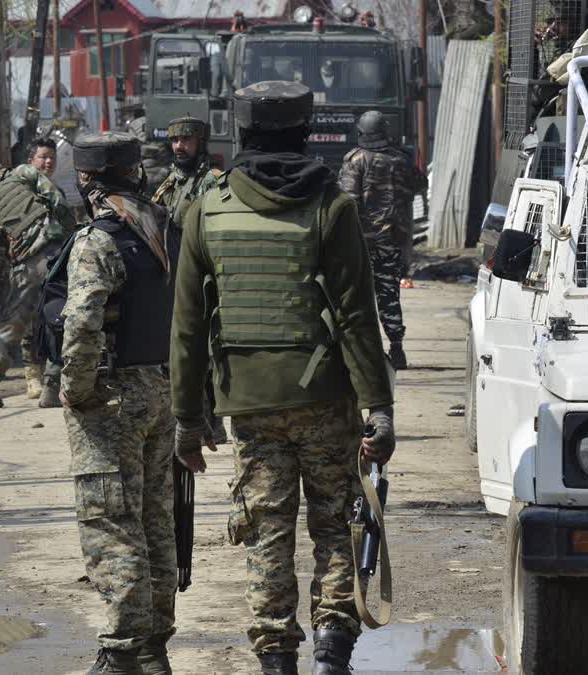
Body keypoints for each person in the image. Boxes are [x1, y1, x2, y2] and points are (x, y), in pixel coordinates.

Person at [168, 81, 396, 675]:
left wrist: (188, 422)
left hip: (248, 402)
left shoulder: (206, 208)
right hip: (325, 397)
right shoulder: (331, 207)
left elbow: (188, 329)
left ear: (241, 133)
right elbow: (355, 317)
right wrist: (379, 407)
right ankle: (332, 655)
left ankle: (276, 661)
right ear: (303, 132)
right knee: (334, 524)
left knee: (267, 532)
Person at [61, 131, 179, 675]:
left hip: (113, 397)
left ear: (86, 180)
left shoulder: (98, 240)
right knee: (155, 517)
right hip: (160, 387)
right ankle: (153, 648)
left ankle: (124, 651)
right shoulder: (160, 228)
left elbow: (82, 325)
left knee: (111, 520)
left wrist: (77, 390)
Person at [0, 161, 74, 409]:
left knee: (11, 327)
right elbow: (57, 200)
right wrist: (70, 235)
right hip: (59, 256)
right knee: (61, 321)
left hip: (28, 268)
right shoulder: (24, 173)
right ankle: (51, 388)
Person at [151, 115, 228, 444]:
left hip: (206, 273)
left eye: (186, 140)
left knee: (210, 349)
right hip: (176, 274)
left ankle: (215, 419)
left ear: (200, 142)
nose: (179, 147)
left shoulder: (214, 180)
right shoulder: (169, 183)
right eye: (175, 141)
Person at [338, 110, 427, 371]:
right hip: (392, 239)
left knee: (357, 295)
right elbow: (420, 185)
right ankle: (396, 348)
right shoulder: (400, 159)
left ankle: (362, 352)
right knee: (388, 293)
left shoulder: (354, 160)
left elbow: (346, 199)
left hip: (360, 242)